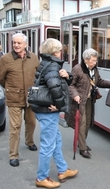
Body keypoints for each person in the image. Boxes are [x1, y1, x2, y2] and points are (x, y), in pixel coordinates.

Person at [31, 38, 78, 188]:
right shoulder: (52, 66)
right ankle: (41, 177)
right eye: (60, 50)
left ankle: (62, 170)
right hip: (48, 111)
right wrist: (59, 106)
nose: (61, 52)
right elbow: (55, 88)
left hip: (44, 109)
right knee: (48, 145)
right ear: (54, 52)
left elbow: (59, 83)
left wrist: (67, 76)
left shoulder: (47, 63)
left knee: (56, 141)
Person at [0, 33, 40, 167]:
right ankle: (13, 155)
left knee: (31, 122)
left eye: (19, 43)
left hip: (30, 97)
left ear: (25, 45)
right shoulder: (5, 59)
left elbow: (38, 76)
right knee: (15, 127)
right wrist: (10, 88)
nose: (16, 45)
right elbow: (0, 78)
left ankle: (29, 141)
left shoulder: (33, 58)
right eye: (14, 42)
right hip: (14, 97)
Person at [65, 48, 110, 159]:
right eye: (93, 60)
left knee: (87, 123)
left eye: (96, 60)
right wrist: (75, 95)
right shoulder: (77, 69)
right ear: (86, 60)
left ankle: (82, 142)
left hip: (90, 100)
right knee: (82, 123)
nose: (95, 62)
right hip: (80, 101)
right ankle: (82, 148)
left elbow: (99, 81)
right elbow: (71, 85)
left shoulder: (94, 69)